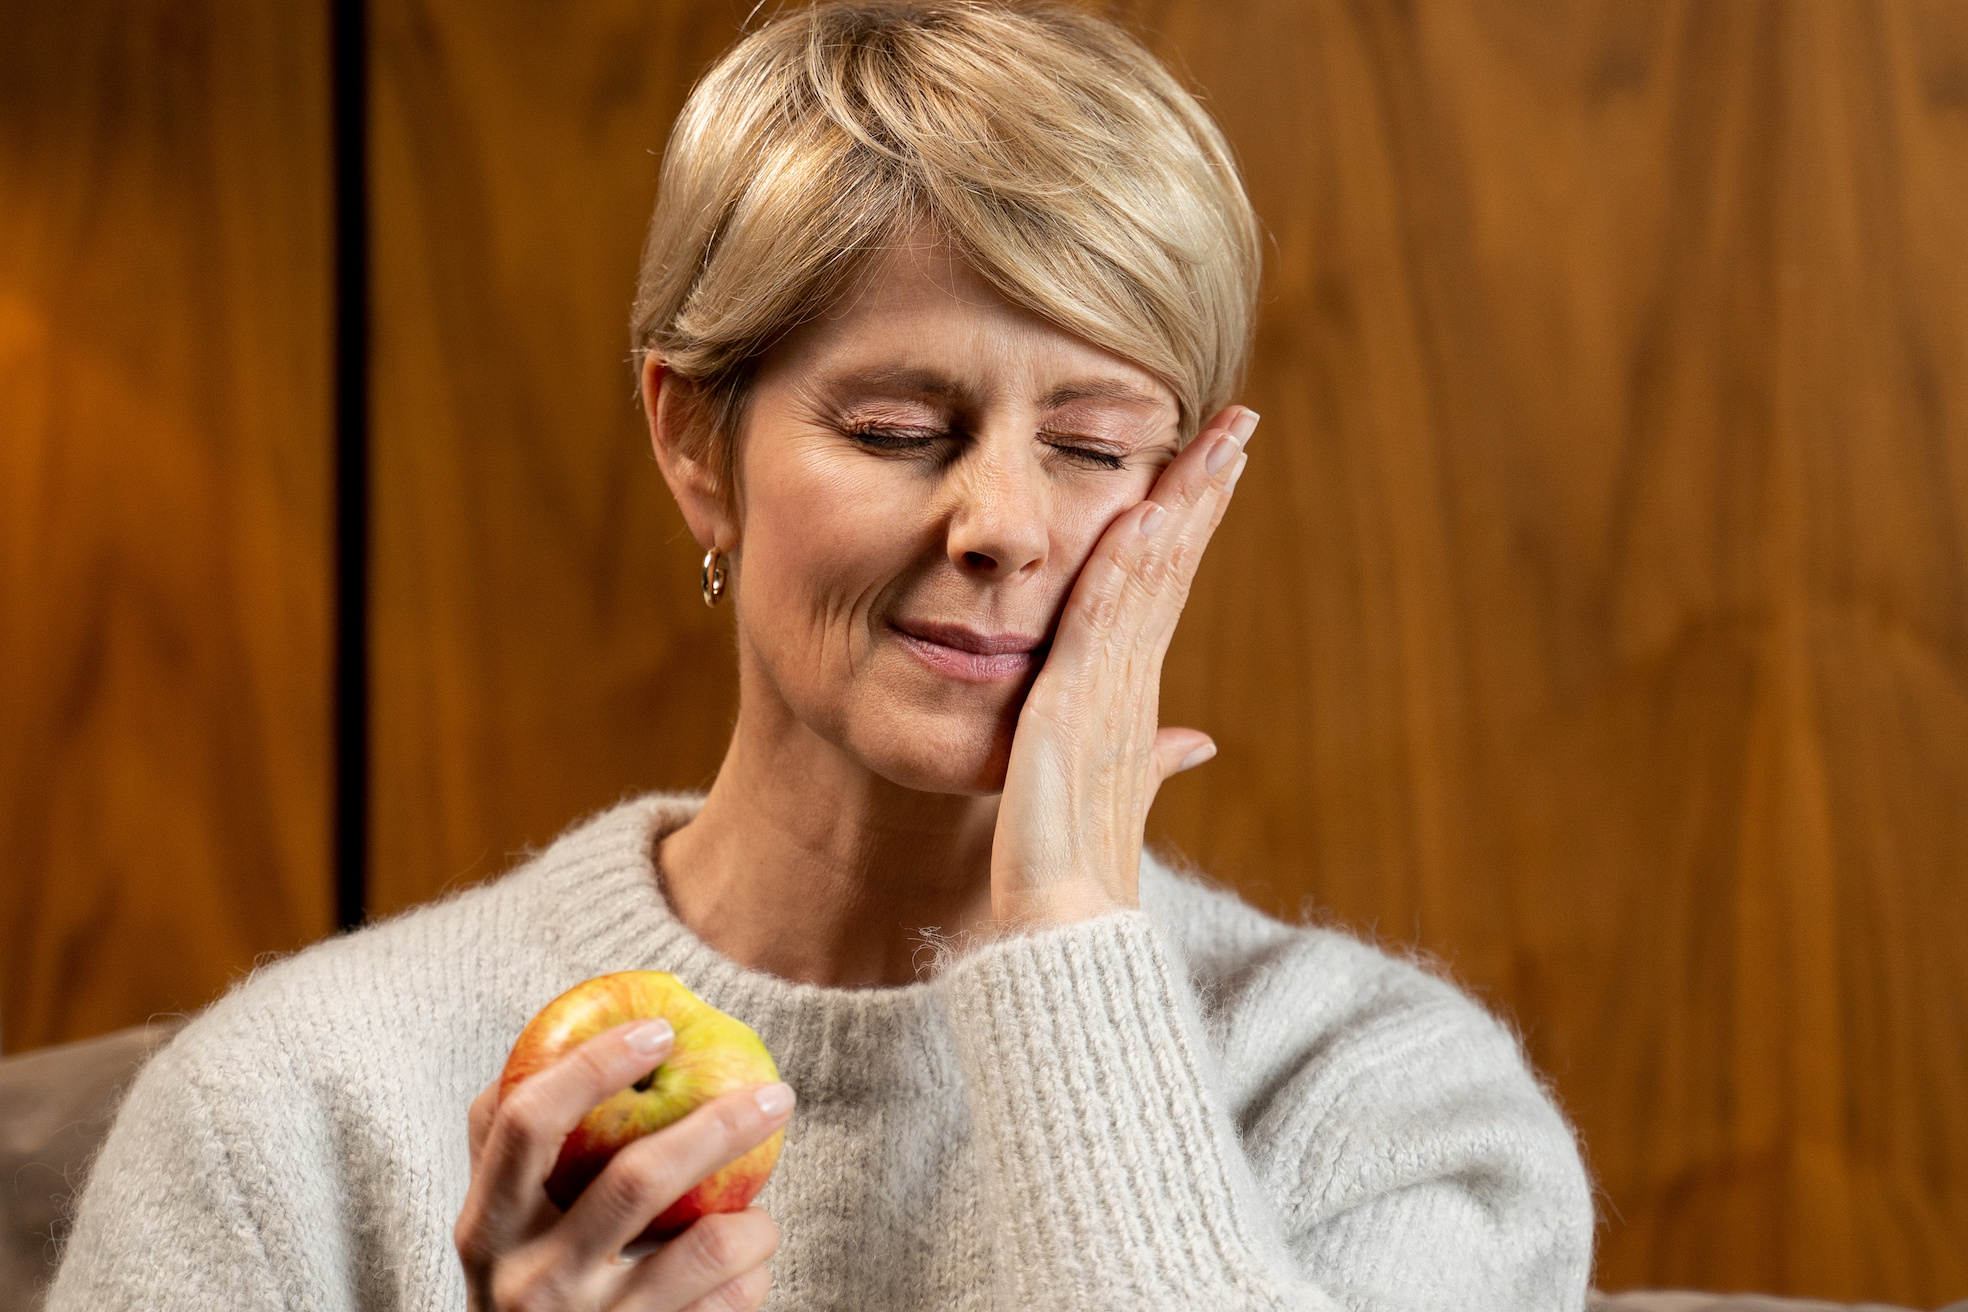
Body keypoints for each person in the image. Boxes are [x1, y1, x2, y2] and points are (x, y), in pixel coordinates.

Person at [50, 3, 1595, 1309]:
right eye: (898, 431)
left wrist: (1065, 924)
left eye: (1091, 444)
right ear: (692, 440)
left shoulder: (1387, 1108)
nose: (1003, 521)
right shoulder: (292, 1113)